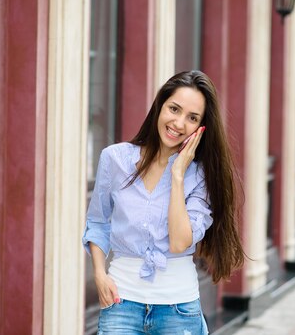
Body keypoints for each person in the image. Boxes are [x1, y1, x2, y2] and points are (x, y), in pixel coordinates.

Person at [83, 70, 245, 335]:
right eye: (174, 109)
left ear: (201, 128)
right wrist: (100, 274)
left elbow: (179, 242)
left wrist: (178, 175)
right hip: (120, 303)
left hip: (178, 311)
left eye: (192, 118)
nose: (179, 123)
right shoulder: (115, 159)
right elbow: (98, 222)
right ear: (160, 106)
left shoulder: (202, 175)